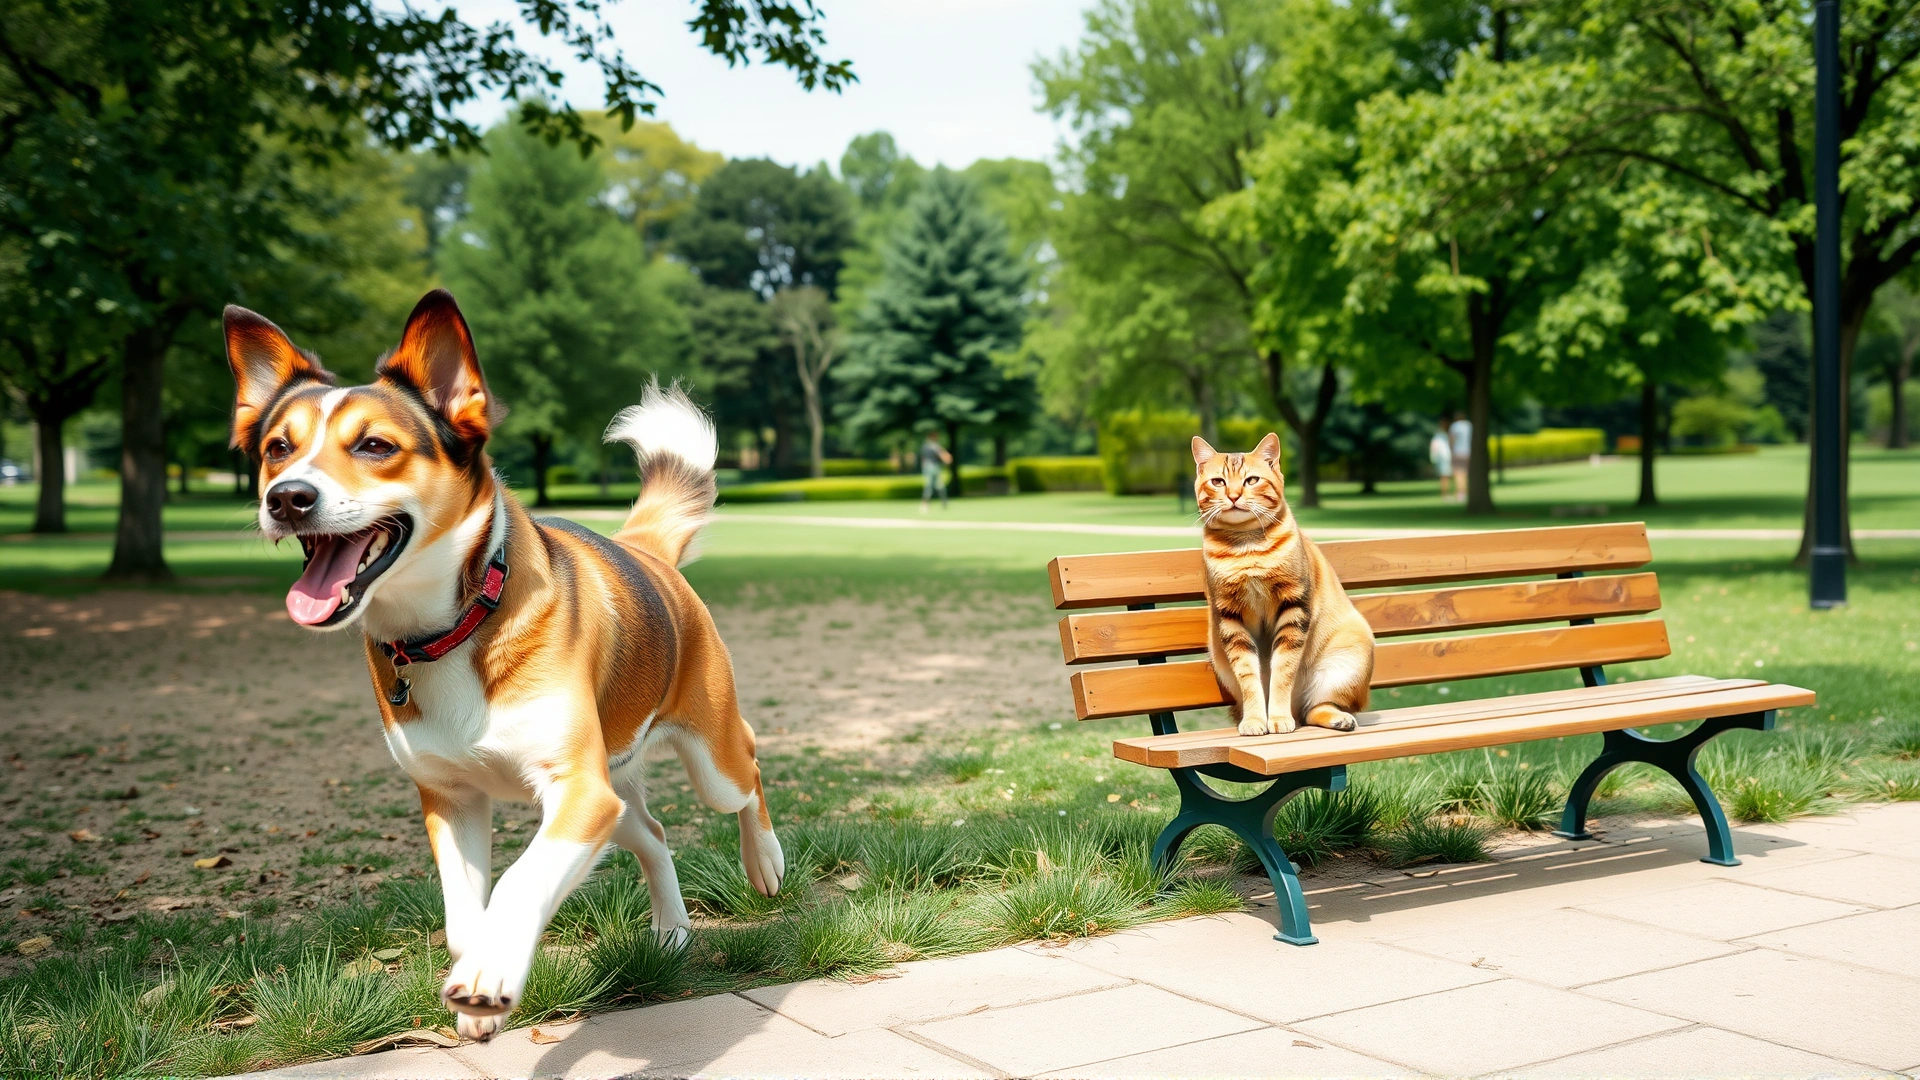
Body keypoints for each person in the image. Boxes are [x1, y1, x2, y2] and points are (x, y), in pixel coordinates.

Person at [919, 429, 952, 513]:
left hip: (934, 467)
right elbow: (942, 455)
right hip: (931, 467)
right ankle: (925, 504)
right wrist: (947, 459)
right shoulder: (931, 446)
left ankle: (944, 503)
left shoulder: (929, 445)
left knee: (939, 486)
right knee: (930, 487)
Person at [1448, 411, 1472, 504]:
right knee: (1467, 473)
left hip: (1458, 452)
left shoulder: (1455, 426)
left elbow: (1451, 439)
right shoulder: (1469, 425)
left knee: (1458, 473)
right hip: (1469, 452)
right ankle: (1466, 491)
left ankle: (1461, 492)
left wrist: (1451, 450)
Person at [1428, 424, 1453, 500]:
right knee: (1445, 477)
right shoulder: (1440, 437)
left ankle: (1447, 494)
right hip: (1444, 458)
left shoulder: (1438, 437)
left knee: (1445, 477)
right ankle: (1445, 494)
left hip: (1443, 458)